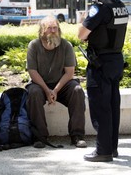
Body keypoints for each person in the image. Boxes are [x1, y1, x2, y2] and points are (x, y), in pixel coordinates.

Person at [78, 0, 129, 162]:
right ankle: (112, 148)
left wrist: (82, 20)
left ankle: (103, 151)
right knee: (113, 106)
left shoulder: (100, 8)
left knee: (100, 108)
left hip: (100, 63)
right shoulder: (121, 6)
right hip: (116, 61)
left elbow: (82, 34)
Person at [26, 15, 87, 149]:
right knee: (33, 93)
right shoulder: (34, 45)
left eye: (55, 28)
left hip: (62, 84)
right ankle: (40, 137)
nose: (53, 31)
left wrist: (55, 91)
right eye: (49, 28)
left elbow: (69, 73)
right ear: (42, 31)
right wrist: (47, 90)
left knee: (77, 91)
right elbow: (32, 72)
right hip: (40, 84)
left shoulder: (66, 45)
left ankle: (77, 135)